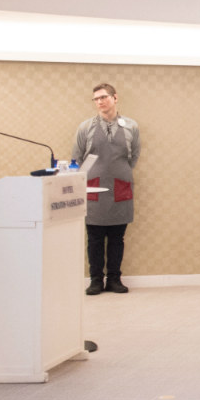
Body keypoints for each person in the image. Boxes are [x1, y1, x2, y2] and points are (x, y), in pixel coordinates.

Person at [71, 82, 141, 295]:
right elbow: (77, 157)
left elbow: (134, 156)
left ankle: (114, 279)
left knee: (117, 238)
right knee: (94, 238)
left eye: (104, 97)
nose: (100, 102)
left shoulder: (131, 126)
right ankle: (95, 280)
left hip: (121, 184)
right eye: (96, 99)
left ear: (115, 98)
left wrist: (118, 171)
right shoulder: (85, 127)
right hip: (92, 185)